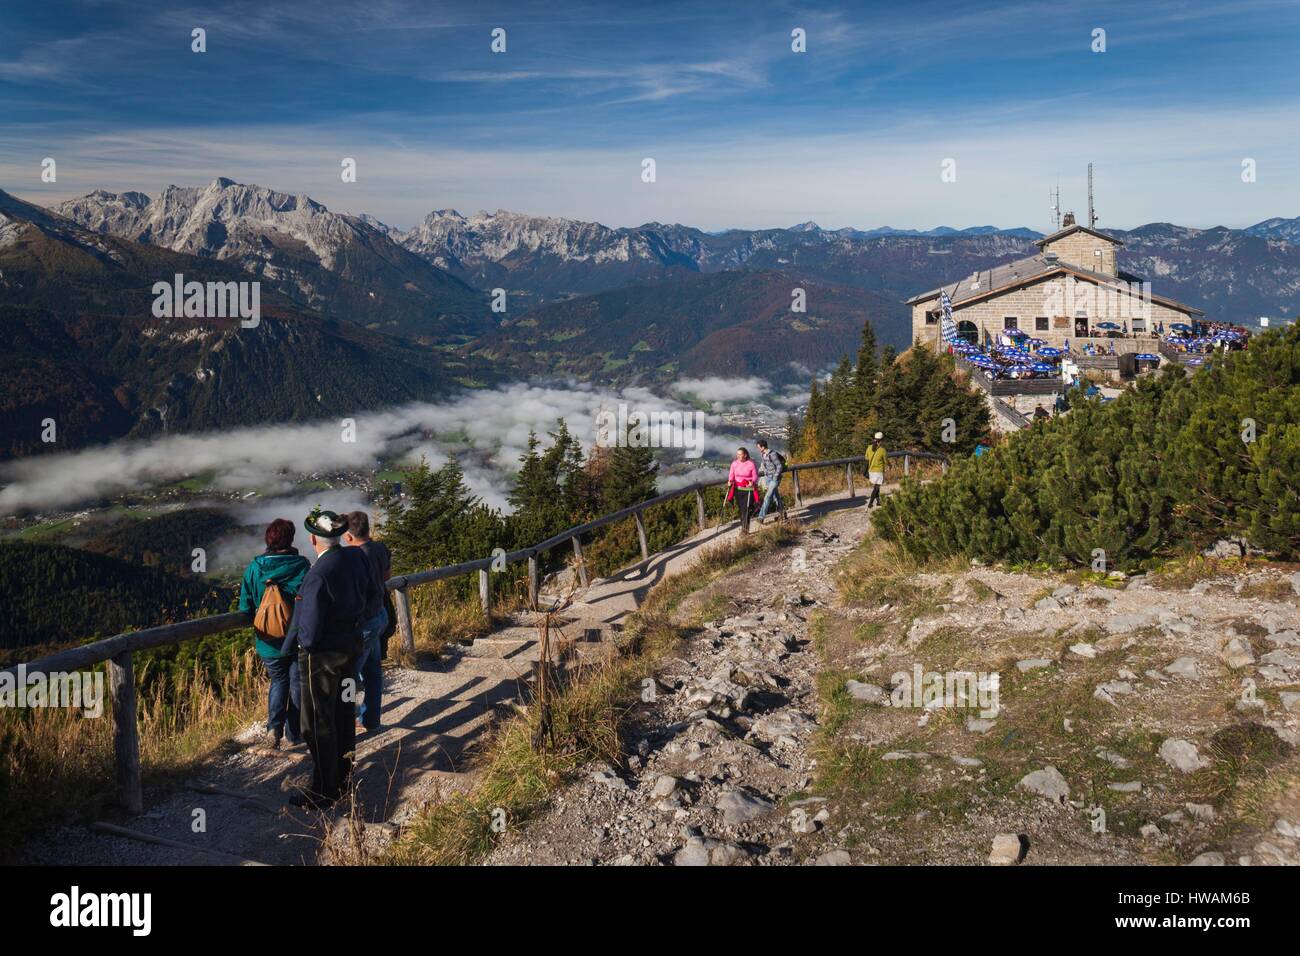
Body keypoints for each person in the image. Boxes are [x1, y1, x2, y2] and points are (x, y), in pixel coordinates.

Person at [287, 508, 381, 810]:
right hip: (350, 647)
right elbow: (373, 596)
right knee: (343, 713)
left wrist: (302, 645)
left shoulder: (318, 575)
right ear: (340, 535)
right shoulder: (356, 557)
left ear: (313, 538)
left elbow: (310, 631)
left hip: (322, 657)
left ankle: (324, 789)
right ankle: (343, 778)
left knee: (316, 722)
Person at [238, 519, 311, 750]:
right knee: (297, 682)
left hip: (267, 640)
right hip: (298, 637)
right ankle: (295, 733)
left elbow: (245, 608)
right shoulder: (302, 565)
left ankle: (273, 729)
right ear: (290, 540)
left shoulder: (254, 568)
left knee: (278, 682)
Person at [344, 510, 391, 733]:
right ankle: (371, 719)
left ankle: (345, 719)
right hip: (379, 615)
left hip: (363, 623)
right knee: (372, 671)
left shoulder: (352, 558)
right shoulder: (380, 548)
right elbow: (387, 576)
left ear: (349, 536)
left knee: (348, 675)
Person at [726, 447, 759, 534]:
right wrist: (730, 481)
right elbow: (731, 475)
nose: (738, 456)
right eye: (737, 454)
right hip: (738, 489)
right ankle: (744, 527)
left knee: (746, 510)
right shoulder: (734, 464)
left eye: (740, 454)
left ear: (745, 455)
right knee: (741, 510)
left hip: (749, 489)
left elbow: (755, 476)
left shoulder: (751, 464)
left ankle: (745, 530)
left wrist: (752, 482)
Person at [754, 439, 786, 523]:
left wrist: (775, 477)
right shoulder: (763, 454)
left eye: (758, 447)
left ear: (763, 447)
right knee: (776, 497)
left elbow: (779, 466)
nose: (758, 449)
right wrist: (765, 473)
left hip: (774, 479)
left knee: (767, 496)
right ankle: (782, 514)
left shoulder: (772, 454)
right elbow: (766, 466)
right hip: (768, 478)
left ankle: (761, 517)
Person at [865, 432, 887, 508]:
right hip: (878, 471)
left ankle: (878, 502)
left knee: (877, 486)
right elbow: (885, 461)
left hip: (871, 471)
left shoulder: (868, 447)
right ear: (881, 440)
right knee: (876, 488)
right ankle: (870, 503)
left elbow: (866, 458)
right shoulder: (882, 450)